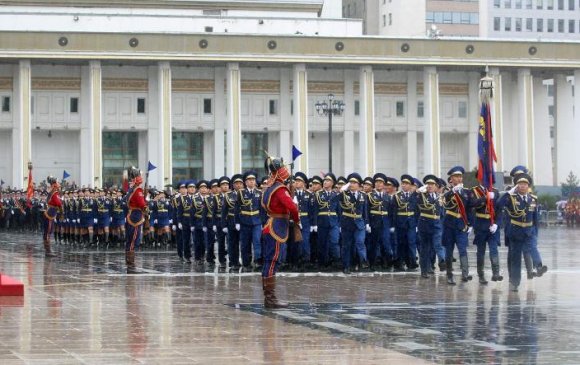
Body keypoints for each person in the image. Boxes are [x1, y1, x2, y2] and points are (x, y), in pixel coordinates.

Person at [260, 154, 300, 308]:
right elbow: (291, 207)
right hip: (277, 226)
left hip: (271, 224)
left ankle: (269, 298)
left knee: (269, 261)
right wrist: (296, 220)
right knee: (273, 261)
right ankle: (270, 299)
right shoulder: (279, 188)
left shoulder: (270, 187)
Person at [497, 173, 539, 292]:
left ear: (528, 186)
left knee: (528, 253)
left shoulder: (533, 199)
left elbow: (535, 220)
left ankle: (531, 271)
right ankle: (515, 282)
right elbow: (499, 205)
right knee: (515, 258)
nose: (522, 186)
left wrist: (535, 235)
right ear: (516, 186)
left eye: (525, 184)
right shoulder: (511, 198)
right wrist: (509, 193)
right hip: (514, 232)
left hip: (528, 233)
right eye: (520, 184)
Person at [442, 166, 473, 285]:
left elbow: (469, 209)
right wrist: (453, 190)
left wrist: (470, 224)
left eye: (460, 177)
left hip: (461, 225)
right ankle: (449, 275)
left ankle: (465, 274)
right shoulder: (446, 191)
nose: (459, 179)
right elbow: (445, 202)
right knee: (449, 251)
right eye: (456, 177)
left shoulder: (466, 191)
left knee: (462, 249)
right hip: (449, 225)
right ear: (451, 179)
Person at [415, 175, 443, 278]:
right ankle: (424, 270)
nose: (430, 186)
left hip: (436, 224)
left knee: (436, 245)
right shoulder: (421, 196)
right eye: (428, 184)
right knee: (425, 248)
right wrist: (417, 191)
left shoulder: (440, 197)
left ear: (436, 186)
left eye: (432, 184)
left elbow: (442, 212)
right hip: (424, 224)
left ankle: (439, 262)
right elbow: (411, 201)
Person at [125, 166, 147, 274]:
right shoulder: (138, 190)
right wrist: (147, 207)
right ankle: (131, 265)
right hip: (135, 216)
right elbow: (142, 204)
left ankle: (130, 264)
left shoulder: (131, 190)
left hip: (131, 214)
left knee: (130, 241)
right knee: (134, 240)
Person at [42, 176, 62, 257]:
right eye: (57, 183)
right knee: (48, 231)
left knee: (48, 232)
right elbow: (58, 203)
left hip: (51, 213)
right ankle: (48, 251)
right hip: (50, 213)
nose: (59, 185)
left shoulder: (52, 192)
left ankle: (48, 250)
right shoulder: (54, 192)